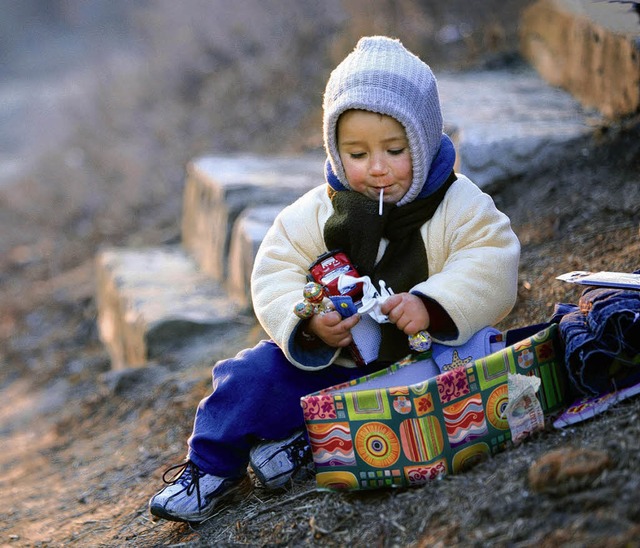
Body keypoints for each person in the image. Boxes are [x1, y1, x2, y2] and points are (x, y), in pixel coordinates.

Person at [149, 35, 520, 523]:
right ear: (334, 150)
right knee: (249, 376)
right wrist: (309, 323)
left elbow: (491, 258)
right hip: (340, 362)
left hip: (419, 363)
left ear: (425, 140)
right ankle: (211, 469)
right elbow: (275, 270)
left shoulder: (460, 204)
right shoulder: (318, 211)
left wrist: (432, 303)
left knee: (460, 373)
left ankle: (303, 446)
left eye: (394, 148)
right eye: (358, 154)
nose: (378, 169)